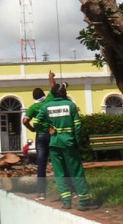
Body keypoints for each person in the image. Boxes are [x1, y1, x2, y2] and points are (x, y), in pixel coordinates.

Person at [35, 83, 97, 211]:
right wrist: (77, 142)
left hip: (54, 143)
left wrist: (47, 129)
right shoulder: (71, 105)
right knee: (76, 171)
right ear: (63, 93)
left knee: (59, 173)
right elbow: (77, 126)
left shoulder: (46, 106)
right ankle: (83, 200)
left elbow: (36, 122)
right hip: (69, 143)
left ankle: (66, 201)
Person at [22, 71, 57, 200]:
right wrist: (50, 77)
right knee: (58, 162)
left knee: (41, 164)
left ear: (34, 97)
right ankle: (70, 190)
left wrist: (32, 129)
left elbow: (25, 121)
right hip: (53, 134)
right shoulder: (49, 99)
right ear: (43, 94)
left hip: (41, 136)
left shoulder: (33, 108)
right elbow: (53, 87)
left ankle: (41, 193)